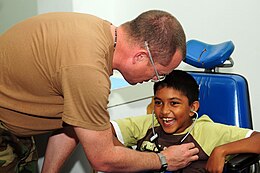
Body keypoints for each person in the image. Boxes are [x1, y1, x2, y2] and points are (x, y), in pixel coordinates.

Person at [0, 10, 199, 173]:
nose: (154, 80)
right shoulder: (89, 71)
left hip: (17, 128)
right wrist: (163, 159)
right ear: (140, 57)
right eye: (158, 73)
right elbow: (103, 159)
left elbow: (75, 122)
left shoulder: (99, 32)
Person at [111, 70, 260, 173]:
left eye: (174, 103)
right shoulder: (148, 124)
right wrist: (126, 159)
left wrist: (221, 151)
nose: (164, 111)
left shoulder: (205, 132)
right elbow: (102, 130)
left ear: (192, 107)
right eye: (158, 102)